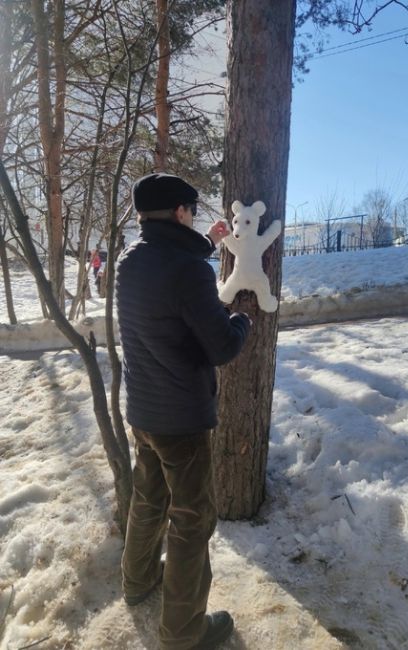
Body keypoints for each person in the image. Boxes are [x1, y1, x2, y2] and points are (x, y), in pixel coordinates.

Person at [115, 172, 251, 650]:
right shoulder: (186, 270)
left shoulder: (130, 261)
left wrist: (207, 246)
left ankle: (137, 583)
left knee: (148, 501)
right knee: (193, 521)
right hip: (183, 422)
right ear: (179, 211)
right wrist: (241, 320)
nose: (193, 215)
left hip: (144, 413)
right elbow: (220, 347)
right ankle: (183, 633)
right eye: (191, 209)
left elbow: (171, 278)